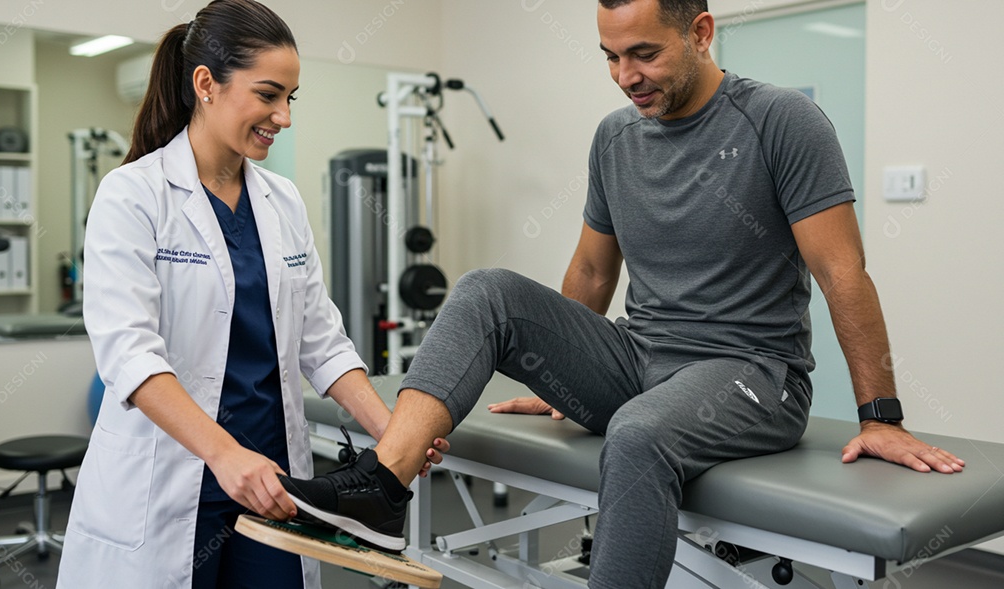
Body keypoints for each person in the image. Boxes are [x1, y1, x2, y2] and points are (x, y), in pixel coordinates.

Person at [278, 1, 965, 587]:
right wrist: (563, 374)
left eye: (643, 54)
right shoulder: (615, 138)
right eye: (609, 56)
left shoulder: (782, 121)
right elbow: (592, 270)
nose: (625, 76)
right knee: (487, 288)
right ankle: (380, 490)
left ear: (700, 33)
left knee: (637, 435)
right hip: (640, 362)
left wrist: (882, 415)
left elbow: (843, 272)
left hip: (754, 373)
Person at [55, 2, 446, 588]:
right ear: (206, 84)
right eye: (268, 95)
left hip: (273, 482)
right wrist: (222, 453)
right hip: (172, 476)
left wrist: (393, 435)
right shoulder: (133, 195)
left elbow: (322, 340)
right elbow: (129, 355)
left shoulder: (281, 199)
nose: (283, 116)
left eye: (291, 97)